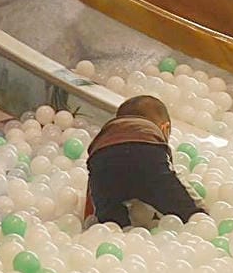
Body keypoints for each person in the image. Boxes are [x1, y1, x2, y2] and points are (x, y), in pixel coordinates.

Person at [84, 94, 205, 228]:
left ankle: (116, 225)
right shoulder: (150, 135)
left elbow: (93, 179)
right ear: (165, 128)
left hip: (102, 158)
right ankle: (198, 220)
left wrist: (91, 214)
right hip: (145, 153)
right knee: (187, 213)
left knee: (112, 222)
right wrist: (200, 210)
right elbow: (169, 179)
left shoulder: (108, 132)